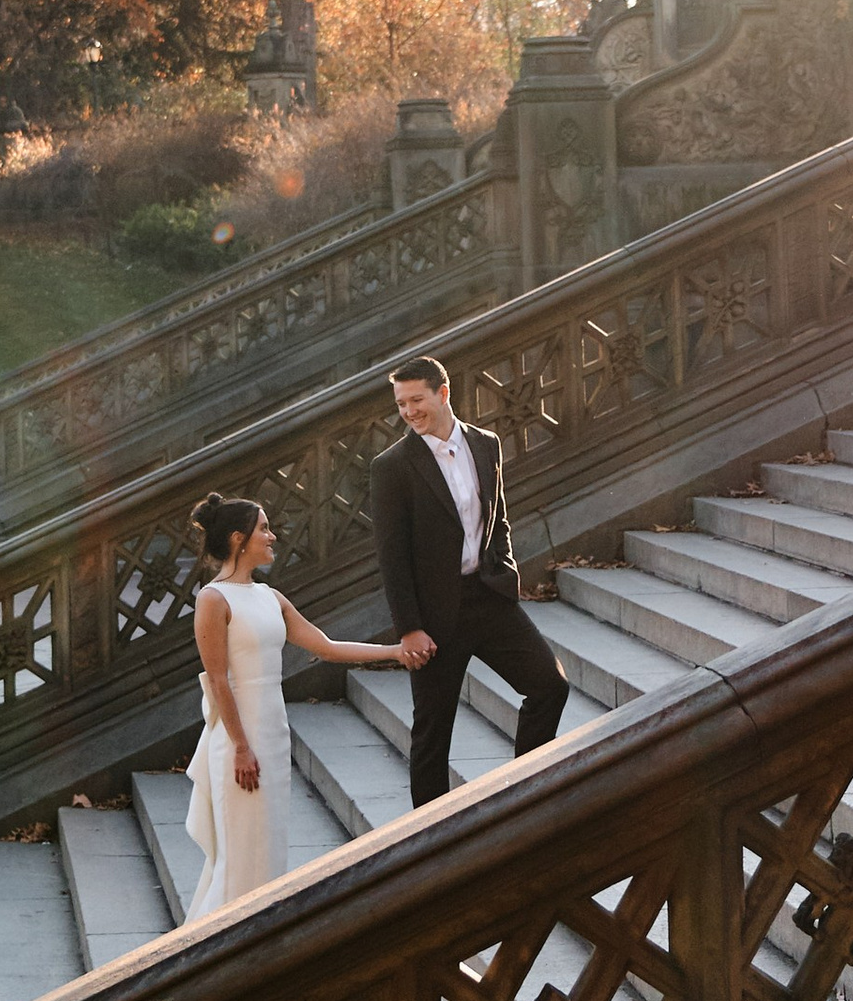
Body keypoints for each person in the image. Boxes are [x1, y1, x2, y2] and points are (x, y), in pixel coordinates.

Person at [183, 492, 414, 921]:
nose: (273, 537)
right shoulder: (213, 600)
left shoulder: (270, 596)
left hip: (272, 735)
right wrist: (240, 747)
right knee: (240, 855)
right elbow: (217, 679)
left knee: (268, 850)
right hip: (240, 743)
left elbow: (325, 646)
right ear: (238, 539)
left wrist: (394, 652)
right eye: (264, 529)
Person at [368, 352, 569, 809]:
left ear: (443, 393)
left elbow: (498, 518)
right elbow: (391, 557)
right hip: (434, 618)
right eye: (401, 404)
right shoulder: (392, 467)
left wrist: (507, 569)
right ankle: (429, 841)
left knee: (549, 686)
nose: (409, 411)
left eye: (416, 399)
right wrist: (408, 628)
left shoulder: (486, 443)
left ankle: (526, 797)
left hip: (489, 597)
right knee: (432, 732)